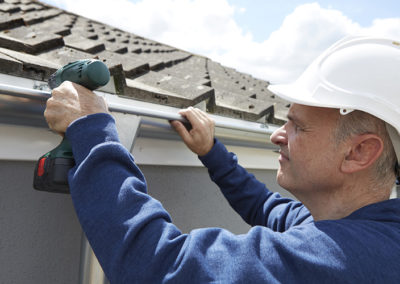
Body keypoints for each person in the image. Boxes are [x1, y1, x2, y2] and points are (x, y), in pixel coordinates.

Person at [44, 36, 400, 283]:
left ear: (359, 152)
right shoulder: (356, 225)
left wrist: (91, 129)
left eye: (297, 127)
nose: (277, 135)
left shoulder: (346, 258)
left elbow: (161, 269)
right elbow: (265, 206)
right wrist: (211, 152)